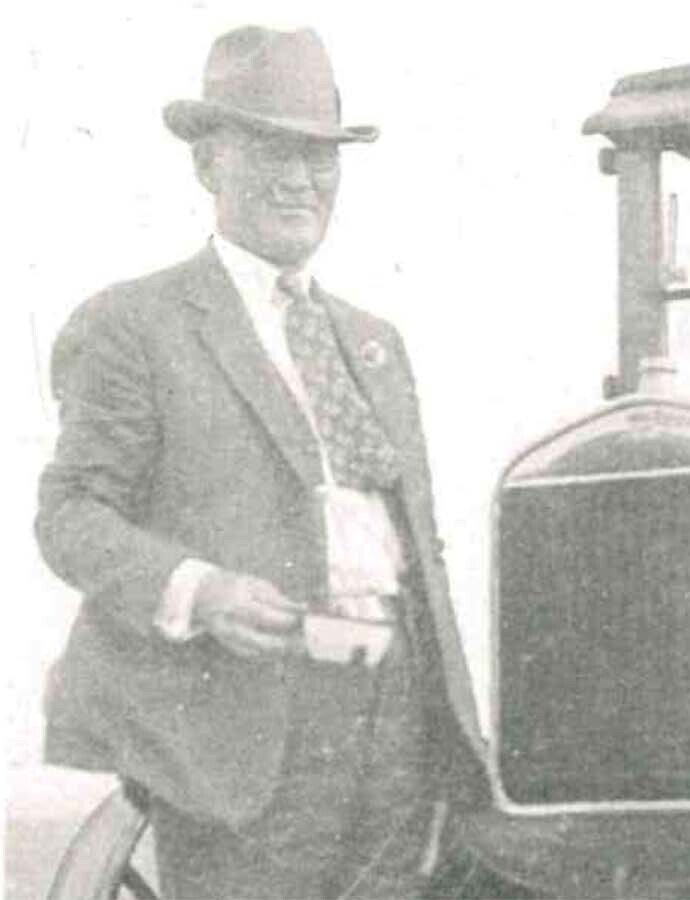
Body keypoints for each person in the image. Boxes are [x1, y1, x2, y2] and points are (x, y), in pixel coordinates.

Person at [36, 25, 485, 899]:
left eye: (320, 156)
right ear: (209, 165)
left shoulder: (373, 342)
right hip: (242, 736)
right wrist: (198, 589)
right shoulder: (134, 327)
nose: (298, 179)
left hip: (398, 720)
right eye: (270, 150)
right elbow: (72, 517)